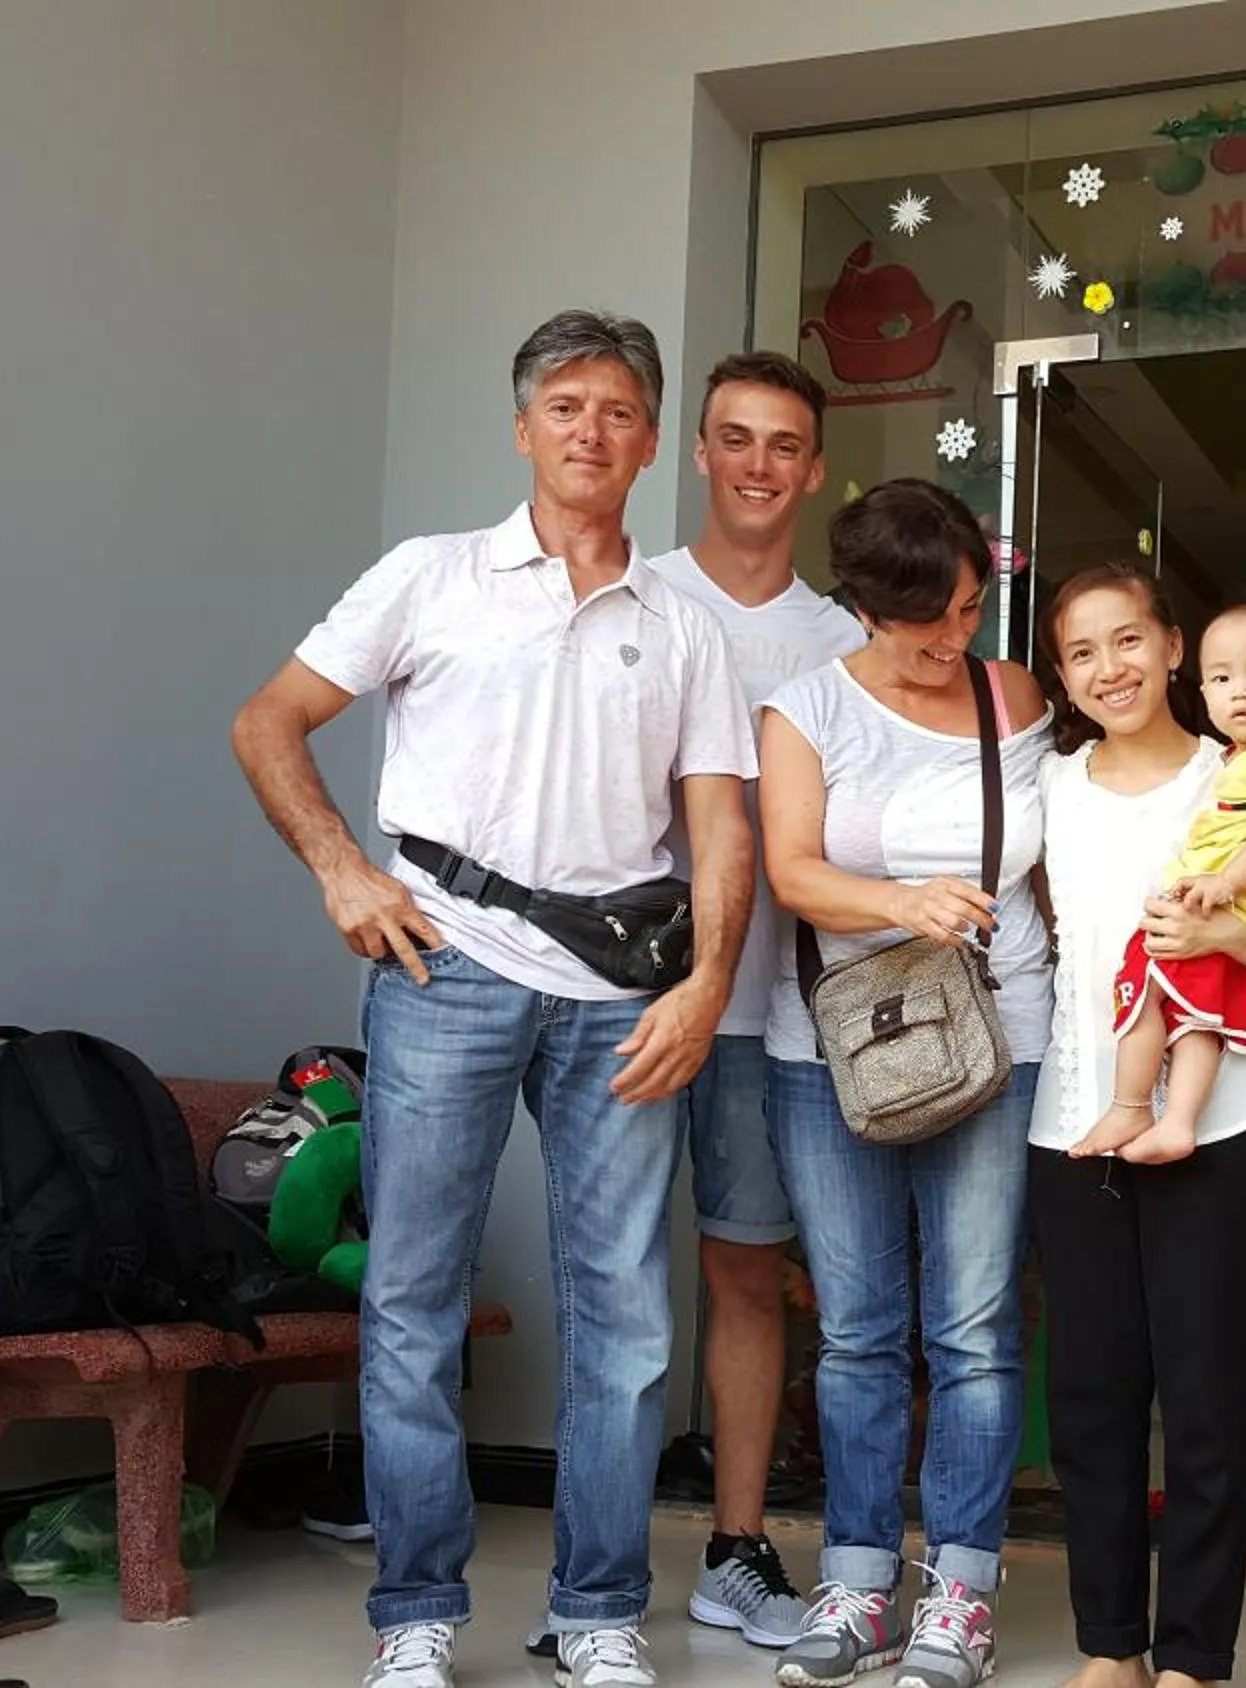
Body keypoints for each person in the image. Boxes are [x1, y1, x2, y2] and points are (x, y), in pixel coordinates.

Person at [230, 308, 753, 1688]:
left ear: (653, 444)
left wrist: (704, 990)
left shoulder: (686, 628)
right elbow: (267, 720)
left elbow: (721, 830)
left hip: (620, 1008)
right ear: (524, 428)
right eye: (567, 405)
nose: (594, 429)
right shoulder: (433, 576)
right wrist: (345, 869)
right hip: (442, 969)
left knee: (628, 1324)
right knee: (410, 1301)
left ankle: (595, 1615)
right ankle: (415, 1615)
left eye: (620, 410)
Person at [753, 479, 1053, 1688]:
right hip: (835, 1049)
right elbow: (789, 868)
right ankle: (860, 1582)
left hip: (1002, 1035)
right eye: (928, 618)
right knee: (858, 1331)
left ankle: (962, 1597)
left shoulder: (1012, 693)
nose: (956, 638)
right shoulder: (807, 705)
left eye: (973, 606)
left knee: (975, 1326)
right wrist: (900, 903)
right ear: (865, 604)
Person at [1027, 563, 1246, 1688]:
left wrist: (1215, 933)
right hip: (1074, 1120)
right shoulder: (1048, 787)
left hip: (1222, 1129)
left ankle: (1195, 1654)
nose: (1108, 668)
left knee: (1208, 1403)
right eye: (1080, 651)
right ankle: (1111, 1643)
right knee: (1093, 1402)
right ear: (1063, 672)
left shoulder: (1245, 769)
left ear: (1172, 648)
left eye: (1127, 641)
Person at [642, 350, 864, 1649]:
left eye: (786, 445)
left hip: (768, 1020)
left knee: (744, 1277)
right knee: (610, 1284)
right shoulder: (633, 596)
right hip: (614, 1000)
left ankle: (736, 1547)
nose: (760, 466)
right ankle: (595, 1576)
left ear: (815, 470)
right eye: (737, 440)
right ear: (701, 453)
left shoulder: (840, 644)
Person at [1073, 596, 1246, 1166]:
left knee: (1144, 977)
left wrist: (1227, 886)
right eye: (1222, 678)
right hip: (1229, 910)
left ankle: (1131, 1103)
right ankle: (1177, 1120)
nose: (1240, 691)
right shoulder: (1242, 758)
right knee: (1196, 1016)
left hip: (1238, 907)